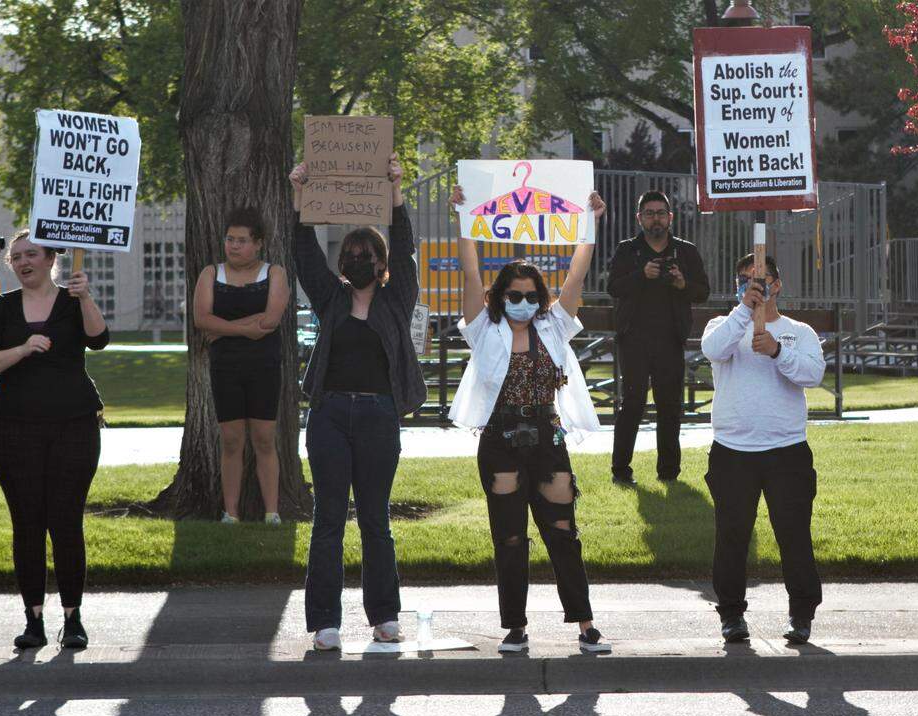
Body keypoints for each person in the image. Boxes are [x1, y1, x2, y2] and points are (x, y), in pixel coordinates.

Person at [448, 184, 612, 654]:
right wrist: (464, 218)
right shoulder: (484, 328)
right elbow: (469, 270)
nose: (522, 300)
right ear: (500, 296)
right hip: (500, 437)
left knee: (562, 531)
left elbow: (577, 277)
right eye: (513, 294)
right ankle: (515, 627)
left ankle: (584, 623)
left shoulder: (554, 325)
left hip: (546, 435)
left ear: (539, 297)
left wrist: (589, 223)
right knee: (511, 536)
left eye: (529, 294)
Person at [288, 154, 426, 651]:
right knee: (328, 519)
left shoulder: (395, 299)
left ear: (382, 263)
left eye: (368, 253)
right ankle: (325, 621)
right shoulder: (331, 298)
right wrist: (300, 192)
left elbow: (407, 250)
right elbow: (304, 253)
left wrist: (396, 190)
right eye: (352, 252)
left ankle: (384, 615)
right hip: (329, 416)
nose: (359, 259)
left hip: (378, 417)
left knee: (375, 519)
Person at [0, 231, 109, 649]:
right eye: (16, 256)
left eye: (32, 253)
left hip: (74, 426)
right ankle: (33, 621)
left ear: (52, 258)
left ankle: (73, 619)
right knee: (27, 524)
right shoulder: (1, 307)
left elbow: (99, 339)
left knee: (65, 522)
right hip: (14, 429)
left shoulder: (72, 299)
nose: (23, 261)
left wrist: (85, 298)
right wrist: (23, 348)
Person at [700, 254, 826, 645]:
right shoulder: (723, 324)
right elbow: (712, 350)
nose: (754, 286)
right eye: (745, 280)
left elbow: (813, 374)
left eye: (762, 279)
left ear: (778, 283)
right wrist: (744, 310)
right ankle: (731, 615)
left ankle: (801, 614)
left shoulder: (798, 331)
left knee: (793, 536)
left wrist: (776, 351)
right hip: (733, 450)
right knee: (732, 536)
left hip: (786, 449)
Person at [193, 207, 290, 524]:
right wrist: (247, 329)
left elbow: (272, 319)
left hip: (264, 368)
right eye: (229, 239)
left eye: (242, 240)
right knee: (232, 440)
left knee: (264, 437)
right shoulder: (211, 274)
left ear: (258, 243)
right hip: (226, 369)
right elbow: (201, 319)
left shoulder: (274, 273)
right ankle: (230, 513)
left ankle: (272, 512)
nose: (233, 246)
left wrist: (221, 329)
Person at [607, 190, 709, 485]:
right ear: (639, 218)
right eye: (649, 213)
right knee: (633, 403)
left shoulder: (685, 251)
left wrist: (681, 282)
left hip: (670, 339)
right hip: (633, 339)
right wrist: (643, 275)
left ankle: (669, 473)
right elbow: (614, 287)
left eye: (661, 213)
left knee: (669, 406)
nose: (656, 219)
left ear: (670, 217)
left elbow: (703, 291)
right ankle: (621, 471)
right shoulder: (627, 250)